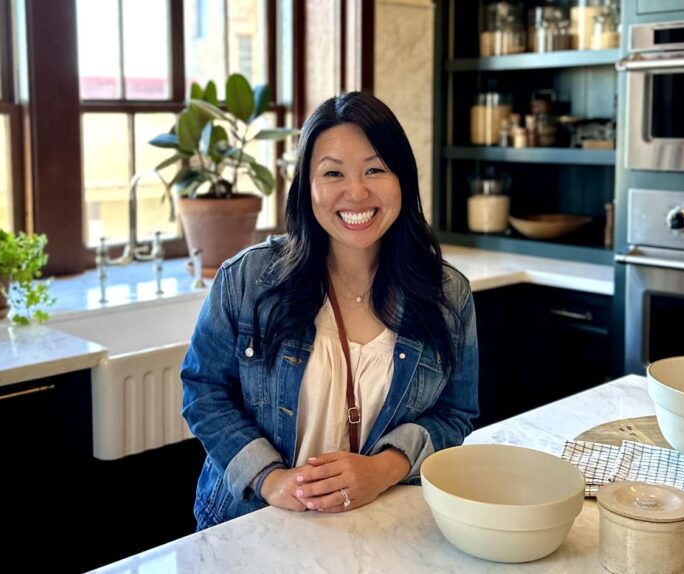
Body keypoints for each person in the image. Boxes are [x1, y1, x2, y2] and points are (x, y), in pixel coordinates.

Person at [181, 91, 478, 530]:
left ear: (403, 179)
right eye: (333, 172)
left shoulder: (446, 293)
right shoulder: (246, 280)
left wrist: (383, 470)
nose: (356, 192)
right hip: (251, 523)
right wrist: (270, 479)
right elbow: (203, 390)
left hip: (382, 524)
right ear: (307, 186)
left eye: (375, 169)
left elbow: (456, 415)